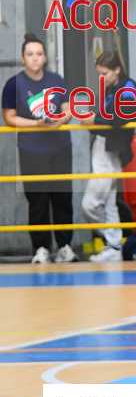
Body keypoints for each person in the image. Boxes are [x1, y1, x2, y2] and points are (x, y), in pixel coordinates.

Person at [1, 33, 77, 264]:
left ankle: (64, 246)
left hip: (60, 148)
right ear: (23, 58)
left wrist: (59, 120)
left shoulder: (57, 80)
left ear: (45, 57)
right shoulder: (14, 84)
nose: (35, 58)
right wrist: (36, 124)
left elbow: (68, 109)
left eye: (39, 54)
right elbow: (9, 117)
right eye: (30, 54)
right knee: (38, 200)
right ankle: (41, 248)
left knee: (62, 198)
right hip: (31, 150)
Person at [81, 51, 136, 262]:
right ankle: (114, 247)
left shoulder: (128, 88)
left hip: (111, 151)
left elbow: (124, 114)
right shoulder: (111, 88)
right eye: (99, 74)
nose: (102, 78)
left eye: (105, 73)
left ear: (117, 69)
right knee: (108, 203)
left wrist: (95, 119)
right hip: (104, 147)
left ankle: (114, 239)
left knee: (90, 205)